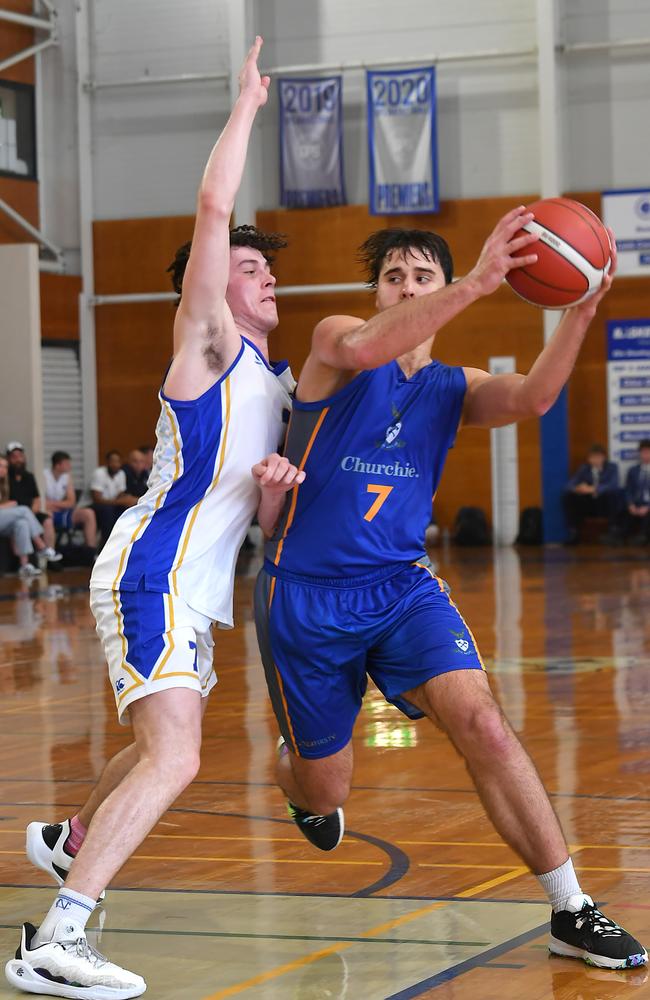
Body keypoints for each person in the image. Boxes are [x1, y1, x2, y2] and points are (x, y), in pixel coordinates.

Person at [254, 219, 646, 971]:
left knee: (486, 724)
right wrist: (475, 284)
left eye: (421, 278)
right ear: (374, 292)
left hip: (402, 588)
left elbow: (533, 399)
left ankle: (571, 906)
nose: (405, 288)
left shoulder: (451, 387)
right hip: (307, 596)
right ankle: (298, 774)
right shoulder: (339, 344)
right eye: (393, 278)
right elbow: (371, 343)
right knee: (328, 787)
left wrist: (582, 312)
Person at [7, 37, 298, 1000]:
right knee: (176, 755)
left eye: (266, 273)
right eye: (251, 269)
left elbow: (252, 513)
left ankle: (65, 844)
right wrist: (248, 105)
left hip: (195, 584)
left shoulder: (275, 382)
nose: (266, 281)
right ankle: (61, 938)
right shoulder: (210, 341)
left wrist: (275, 487)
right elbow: (214, 209)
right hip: (152, 566)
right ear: (214, 287)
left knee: (154, 748)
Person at [0, 455, 58, 577]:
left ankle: (24, 565)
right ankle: (41, 546)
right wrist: (9, 505)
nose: (3, 469)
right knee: (24, 510)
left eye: (5, 466)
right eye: (0, 466)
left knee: (22, 523)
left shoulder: (4, 484)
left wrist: (9, 505)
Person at [6, 442, 60, 560]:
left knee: (47, 520)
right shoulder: (6, 478)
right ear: (9, 459)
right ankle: (41, 547)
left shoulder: (29, 476)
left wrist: (34, 511)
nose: (18, 460)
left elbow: (36, 499)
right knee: (23, 518)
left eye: (20, 456)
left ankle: (50, 553)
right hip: (15, 514)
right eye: (14, 457)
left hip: (30, 512)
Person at [563, 444, 621, 543]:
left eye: (598, 457)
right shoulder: (584, 468)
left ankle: (613, 531)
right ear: (588, 459)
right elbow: (569, 485)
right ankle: (574, 532)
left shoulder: (612, 467)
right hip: (589, 503)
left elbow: (613, 485)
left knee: (614, 494)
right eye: (593, 457)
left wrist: (594, 489)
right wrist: (578, 488)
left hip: (604, 503)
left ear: (604, 457)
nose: (595, 460)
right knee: (569, 497)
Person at [44, 451, 97, 548]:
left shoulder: (66, 477)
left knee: (89, 513)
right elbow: (43, 503)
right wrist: (61, 504)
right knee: (47, 517)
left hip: (62, 511)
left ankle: (91, 551)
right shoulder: (44, 476)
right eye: (67, 464)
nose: (70, 466)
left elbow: (71, 502)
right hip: (49, 513)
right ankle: (50, 554)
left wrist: (54, 504)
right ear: (58, 465)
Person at [90, 449, 128, 544]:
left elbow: (120, 495)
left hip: (112, 505)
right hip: (95, 506)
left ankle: (121, 542)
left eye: (117, 462)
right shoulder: (99, 473)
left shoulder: (121, 474)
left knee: (124, 510)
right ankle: (105, 543)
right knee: (108, 511)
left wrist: (125, 500)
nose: (115, 464)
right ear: (107, 462)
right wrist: (119, 501)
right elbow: (96, 499)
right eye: (112, 461)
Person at [622, 439, 650, 543]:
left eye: (649, 452)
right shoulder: (633, 470)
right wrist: (630, 504)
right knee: (623, 507)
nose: (646, 455)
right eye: (644, 452)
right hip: (636, 502)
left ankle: (643, 535)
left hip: (648, 504)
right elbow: (628, 490)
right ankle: (620, 535)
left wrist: (648, 507)